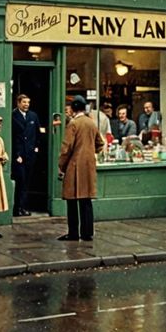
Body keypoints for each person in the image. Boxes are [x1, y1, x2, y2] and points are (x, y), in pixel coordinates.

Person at [56, 96, 101, 241]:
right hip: (88, 166)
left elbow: (66, 148)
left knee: (72, 200)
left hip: (74, 166)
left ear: (74, 109)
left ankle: (73, 233)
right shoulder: (91, 123)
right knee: (86, 201)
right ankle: (87, 233)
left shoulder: (73, 124)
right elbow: (100, 143)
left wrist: (61, 166)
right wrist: (90, 153)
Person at [10, 94, 40, 217]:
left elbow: (37, 133)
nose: (26, 104)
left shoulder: (33, 116)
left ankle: (23, 207)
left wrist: (36, 148)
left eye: (28, 102)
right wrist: (17, 154)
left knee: (27, 182)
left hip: (30, 154)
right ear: (18, 103)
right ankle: (18, 208)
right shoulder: (13, 116)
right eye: (24, 102)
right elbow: (12, 136)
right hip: (19, 155)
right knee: (20, 181)